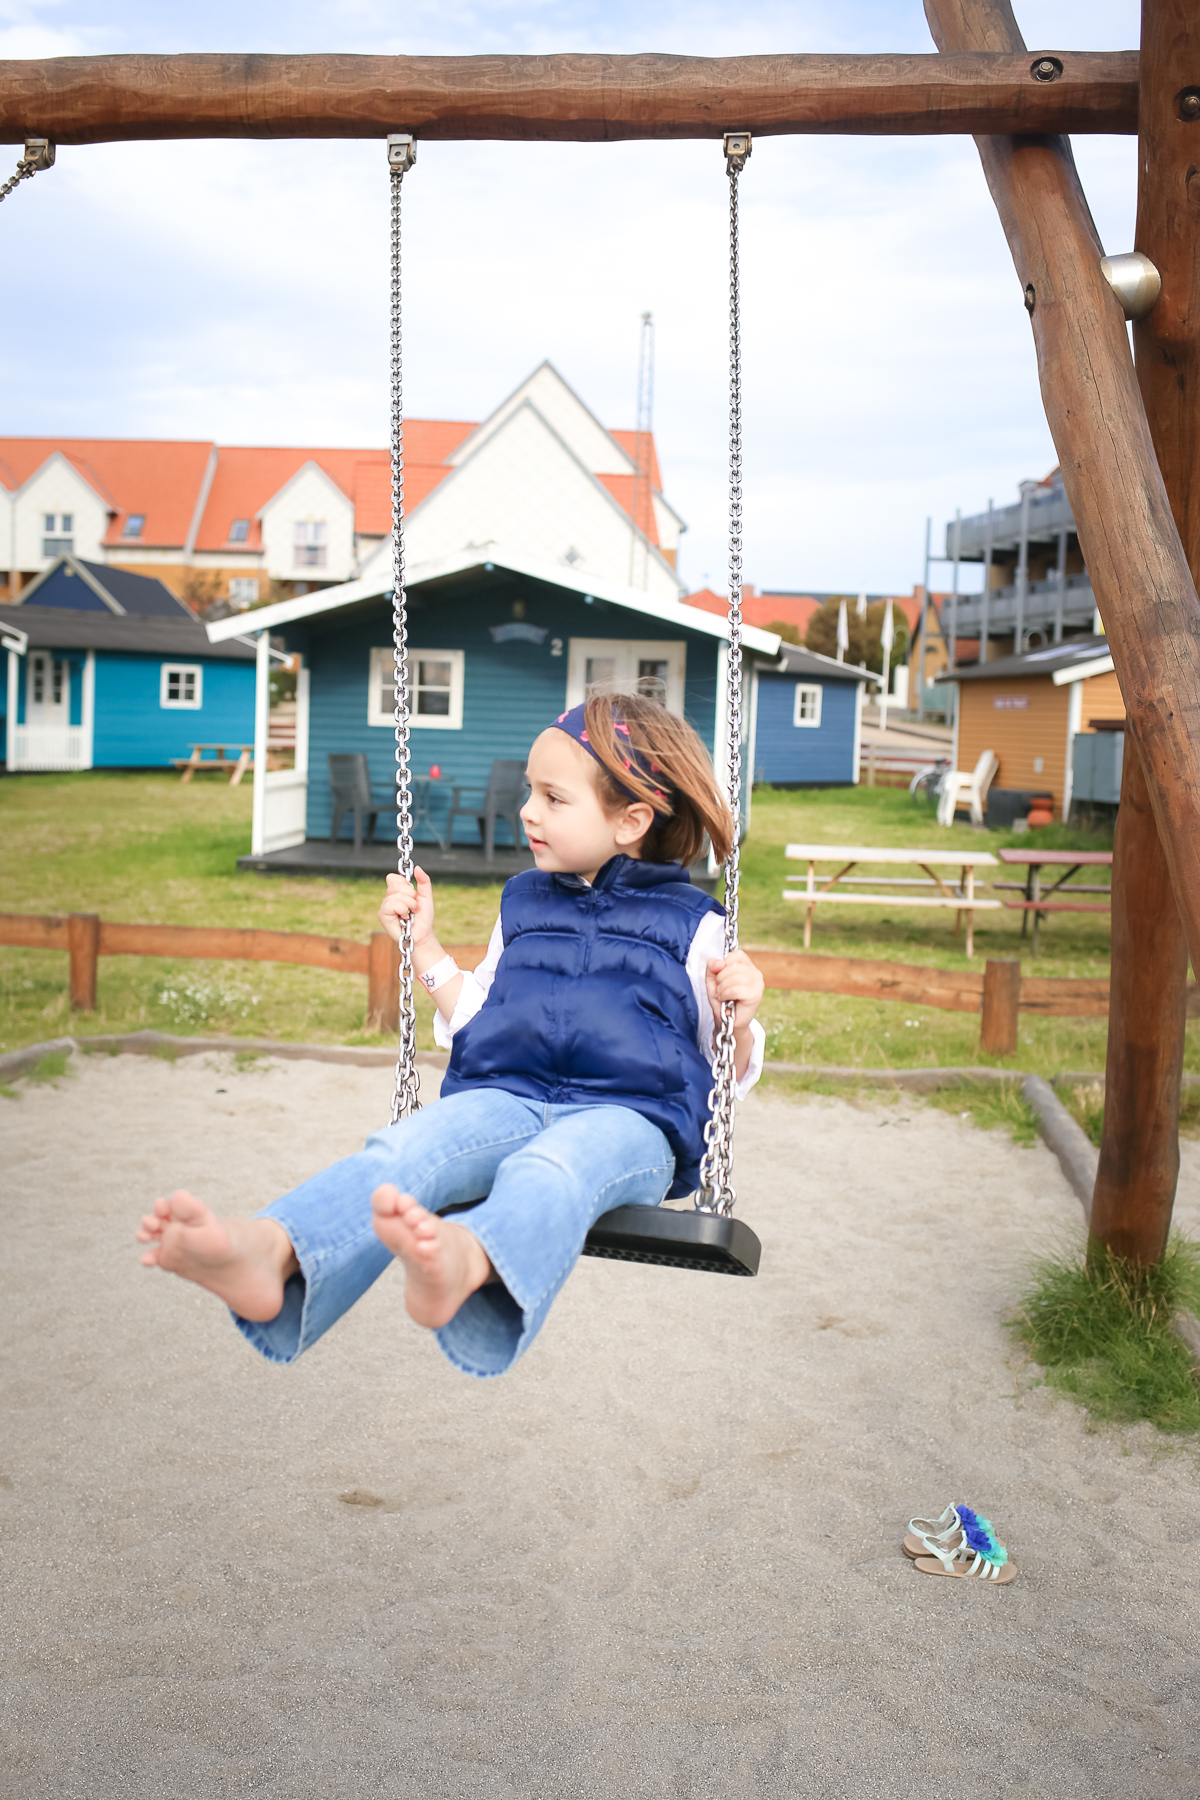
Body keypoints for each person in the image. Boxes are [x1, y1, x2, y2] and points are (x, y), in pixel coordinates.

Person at [137, 695, 766, 1378]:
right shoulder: (523, 900)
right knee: (405, 1150)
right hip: (510, 1098)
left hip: (630, 1122)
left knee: (550, 1168)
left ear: (631, 820)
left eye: (554, 798)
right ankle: (272, 1251)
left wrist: (738, 1019)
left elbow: (724, 1072)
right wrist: (424, 946)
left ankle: (469, 1259)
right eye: (531, 791)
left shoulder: (695, 926)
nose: (528, 810)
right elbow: (480, 1021)